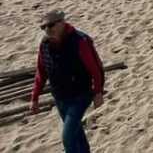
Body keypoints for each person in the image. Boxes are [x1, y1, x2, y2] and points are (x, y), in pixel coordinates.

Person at [29, 10, 105, 153]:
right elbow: (41, 71)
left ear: (62, 23)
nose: (47, 30)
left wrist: (98, 93)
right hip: (60, 97)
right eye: (43, 27)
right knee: (77, 134)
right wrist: (34, 97)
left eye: (50, 25)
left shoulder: (79, 41)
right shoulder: (44, 44)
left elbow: (95, 69)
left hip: (80, 95)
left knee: (68, 137)